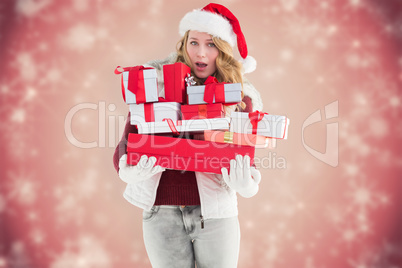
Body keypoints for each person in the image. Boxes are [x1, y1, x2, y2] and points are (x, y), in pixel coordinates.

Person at [113, 3, 263, 268]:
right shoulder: (154, 82)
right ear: (184, 43)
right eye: (194, 42)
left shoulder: (239, 97)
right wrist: (128, 170)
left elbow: (245, 156)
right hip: (161, 213)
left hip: (216, 214)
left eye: (212, 44)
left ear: (224, 50)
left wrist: (247, 184)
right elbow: (127, 141)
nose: (201, 53)